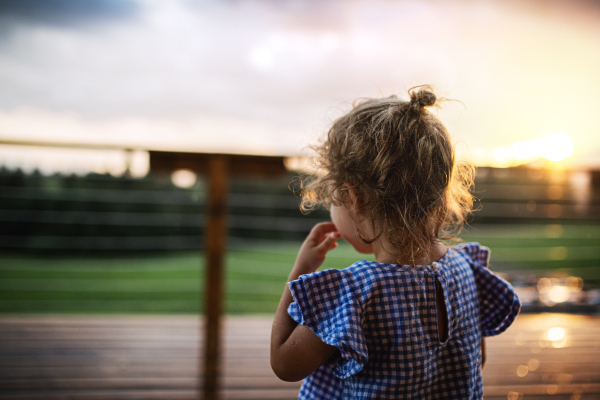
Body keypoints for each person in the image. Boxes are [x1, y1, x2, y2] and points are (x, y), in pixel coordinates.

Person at [270, 86, 520, 399]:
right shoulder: (468, 272)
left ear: (355, 199)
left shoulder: (355, 295)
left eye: (332, 197)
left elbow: (284, 363)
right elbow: (474, 362)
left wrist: (300, 270)